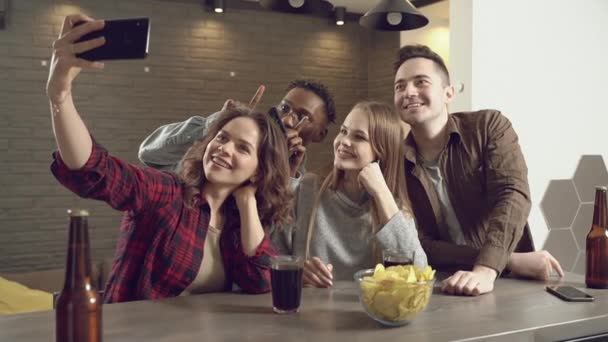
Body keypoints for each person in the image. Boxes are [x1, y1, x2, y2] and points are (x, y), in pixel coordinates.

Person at [46, 14, 293, 303]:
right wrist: (60, 96)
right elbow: (95, 171)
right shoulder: (168, 193)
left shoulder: (238, 225)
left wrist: (248, 202)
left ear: (259, 172)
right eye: (222, 137)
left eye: (243, 148)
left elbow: (262, 280)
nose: (224, 148)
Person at [393, 44, 564, 296]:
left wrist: (487, 268)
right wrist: (510, 260)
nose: (409, 92)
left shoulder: (488, 127)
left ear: (448, 93)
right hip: (441, 285)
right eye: (400, 86)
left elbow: (512, 194)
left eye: (421, 82)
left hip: (508, 285)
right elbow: (418, 243)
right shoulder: (395, 161)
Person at [272, 101, 427, 287]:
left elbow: (418, 273)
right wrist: (298, 270)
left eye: (359, 137)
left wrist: (382, 192)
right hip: (309, 311)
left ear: (382, 151)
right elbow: (272, 255)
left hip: (365, 313)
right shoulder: (307, 188)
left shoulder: (392, 208)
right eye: (343, 131)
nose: (343, 142)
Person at [138, 80, 336, 177]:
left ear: (320, 134)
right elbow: (149, 154)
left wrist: (287, 172)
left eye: (303, 117)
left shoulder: (298, 176)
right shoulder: (226, 150)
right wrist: (216, 125)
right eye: (285, 108)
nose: (288, 120)